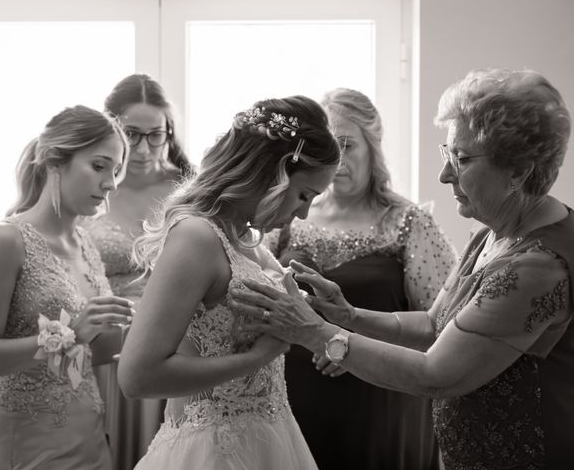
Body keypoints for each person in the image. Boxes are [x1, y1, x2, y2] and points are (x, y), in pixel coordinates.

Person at [229, 68, 574, 470]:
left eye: (461, 159)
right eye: (448, 155)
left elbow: (436, 373)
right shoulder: (492, 234)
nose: (445, 175)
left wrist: (313, 330)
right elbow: (433, 324)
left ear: (518, 170)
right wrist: (351, 316)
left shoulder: (536, 266)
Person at [117, 95, 341, 469]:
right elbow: (137, 376)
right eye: (304, 195)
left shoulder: (247, 240)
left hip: (271, 438)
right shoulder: (196, 237)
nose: (303, 212)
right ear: (274, 174)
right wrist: (254, 358)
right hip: (211, 451)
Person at [266, 87, 456, 469]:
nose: (337, 161)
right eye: (327, 149)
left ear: (373, 146)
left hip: (381, 403)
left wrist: (351, 346)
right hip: (295, 399)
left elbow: (442, 328)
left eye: (347, 145)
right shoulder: (290, 219)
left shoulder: (408, 223)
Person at [0, 105, 135, 470]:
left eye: (117, 171)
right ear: (55, 161)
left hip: (88, 436)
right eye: (100, 166)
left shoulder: (86, 244)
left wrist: (143, 320)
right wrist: (72, 333)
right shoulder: (6, 241)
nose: (111, 183)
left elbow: (96, 351)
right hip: (26, 441)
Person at [82, 74, 193, 470]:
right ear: (112, 129)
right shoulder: (90, 186)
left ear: (170, 132)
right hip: (100, 344)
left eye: (156, 135)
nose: (144, 148)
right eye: (132, 134)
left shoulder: (189, 192)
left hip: (173, 344)